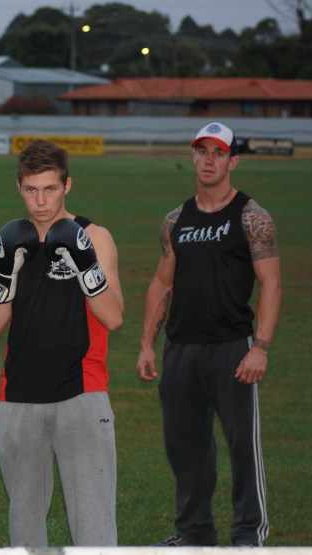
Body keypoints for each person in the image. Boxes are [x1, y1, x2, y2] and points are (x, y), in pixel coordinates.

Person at [136, 122, 281, 548]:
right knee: (186, 448)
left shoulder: (252, 217)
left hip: (232, 348)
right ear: (194, 156)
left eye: (218, 153)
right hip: (181, 349)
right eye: (202, 151)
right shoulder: (176, 220)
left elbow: (271, 284)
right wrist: (147, 344)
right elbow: (162, 284)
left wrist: (260, 348)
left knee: (242, 447)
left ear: (233, 161)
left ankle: (248, 535)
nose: (209, 160)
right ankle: (194, 534)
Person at [0, 139, 124, 547]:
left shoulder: (95, 236)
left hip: (82, 392)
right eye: (31, 190)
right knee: (24, 524)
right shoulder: (5, 241)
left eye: (50, 189)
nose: (41, 201)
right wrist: (4, 272)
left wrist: (86, 265)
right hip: (19, 395)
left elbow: (113, 316)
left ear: (67, 186)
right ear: (19, 187)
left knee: (94, 523)